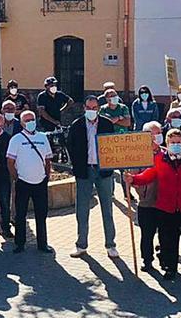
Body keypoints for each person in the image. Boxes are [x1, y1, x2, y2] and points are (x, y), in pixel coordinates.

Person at [125, 128, 181, 281]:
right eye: (172, 142)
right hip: (166, 208)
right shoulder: (160, 159)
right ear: (167, 143)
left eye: (178, 142)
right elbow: (149, 175)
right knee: (168, 241)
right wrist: (134, 179)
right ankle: (170, 268)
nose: (176, 145)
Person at [68, 96, 119, 259]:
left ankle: (111, 245)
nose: (92, 110)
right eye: (89, 107)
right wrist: (77, 167)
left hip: (103, 171)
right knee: (82, 209)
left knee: (107, 208)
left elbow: (113, 147)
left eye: (95, 108)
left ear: (99, 108)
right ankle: (81, 244)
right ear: (84, 108)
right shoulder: (76, 126)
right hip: (84, 172)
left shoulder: (107, 124)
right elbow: (70, 147)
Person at [8, 110, 54, 253]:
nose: (30, 122)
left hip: (40, 182)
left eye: (32, 119)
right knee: (20, 214)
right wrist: (17, 178)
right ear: (21, 123)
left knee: (41, 214)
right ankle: (20, 243)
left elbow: (48, 159)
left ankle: (42, 244)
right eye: (26, 120)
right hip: (23, 182)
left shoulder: (43, 137)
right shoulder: (16, 139)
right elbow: (10, 162)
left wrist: (46, 176)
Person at [137, 121, 164, 272]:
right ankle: (147, 260)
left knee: (165, 233)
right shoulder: (139, 155)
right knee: (147, 234)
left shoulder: (167, 153)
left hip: (165, 202)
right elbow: (134, 176)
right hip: (147, 202)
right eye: (154, 133)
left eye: (159, 133)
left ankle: (163, 256)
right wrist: (142, 191)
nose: (157, 136)